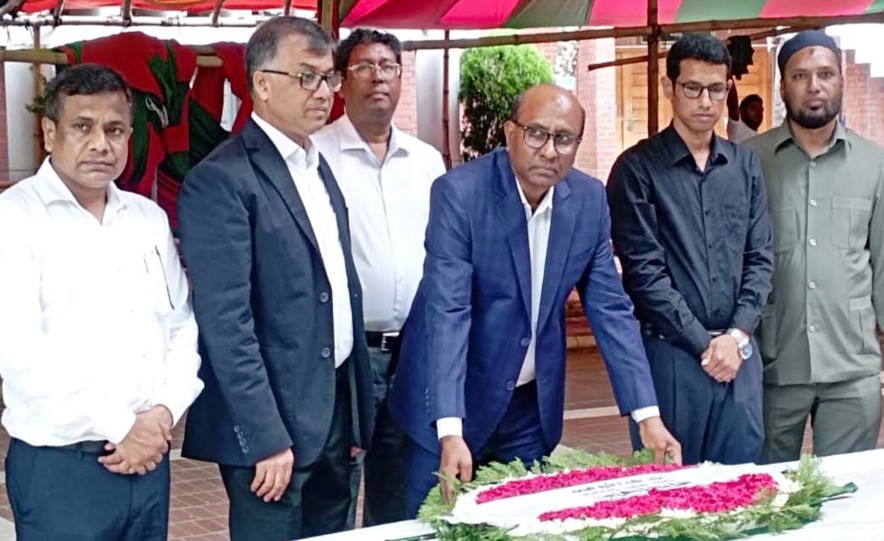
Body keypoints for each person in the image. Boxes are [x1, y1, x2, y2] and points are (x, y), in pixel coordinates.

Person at [390, 83, 682, 517]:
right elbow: (448, 312)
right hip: (450, 403)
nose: (549, 150)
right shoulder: (460, 194)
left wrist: (648, 417)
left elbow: (612, 311)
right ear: (510, 133)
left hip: (527, 410)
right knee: (434, 525)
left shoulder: (588, 201)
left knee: (522, 523)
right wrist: (450, 429)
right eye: (536, 134)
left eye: (564, 139)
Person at [177, 17, 374, 541]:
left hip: (334, 409)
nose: (324, 92)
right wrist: (264, 436)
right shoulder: (221, 180)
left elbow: (338, 291)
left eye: (329, 78)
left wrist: (356, 416)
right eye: (306, 77)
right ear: (262, 84)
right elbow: (227, 323)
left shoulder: (316, 167)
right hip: (272, 427)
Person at [0, 63, 203, 540]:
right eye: (82, 127)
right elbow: (19, 352)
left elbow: (180, 324)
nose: (100, 144)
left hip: (147, 460)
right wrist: (123, 427)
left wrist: (163, 414)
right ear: (50, 132)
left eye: (114, 130)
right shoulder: (14, 220)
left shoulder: (147, 219)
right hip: (62, 469)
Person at [607, 33, 774, 466]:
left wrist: (736, 337)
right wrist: (706, 344)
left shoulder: (745, 166)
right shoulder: (636, 169)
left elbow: (760, 258)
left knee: (742, 486)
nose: (705, 101)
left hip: (738, 355)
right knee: (670, 489)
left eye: (716, 89)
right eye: (692, 88)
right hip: (671, 357)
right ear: (669, 87)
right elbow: (644, 275)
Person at [313, 28, 447, 526]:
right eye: (364, 67)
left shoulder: (427, 161)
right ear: (341, 82)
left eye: (388, 66)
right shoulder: (316, 156)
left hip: (413, 350)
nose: (378, 78)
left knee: (399, 483)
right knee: (336, 481)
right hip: (347, 353)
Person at [743, 30, 884, 463]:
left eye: (825, 74)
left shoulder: (874, 163)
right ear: (782, 86)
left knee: (847, 490)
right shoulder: (748, 161)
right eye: (800, 75)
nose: (814, 86)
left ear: (841, 80)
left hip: (852, 367)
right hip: (771, 366)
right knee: (765, 490)